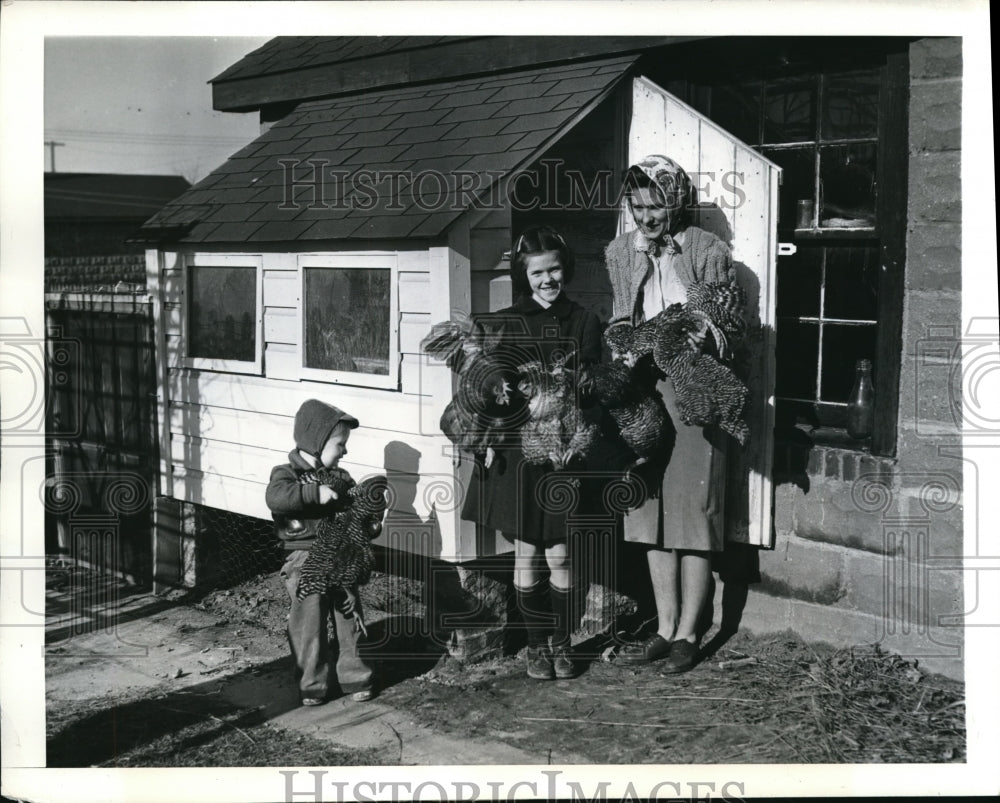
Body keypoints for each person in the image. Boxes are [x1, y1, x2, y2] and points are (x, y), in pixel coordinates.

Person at [604, 155, 739, 673]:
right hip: (645, 391)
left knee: (694, 513)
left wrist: (706, 334)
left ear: (676, 199)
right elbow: (620, 315)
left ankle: (690, 633)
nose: (646, 216)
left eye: (655, 204)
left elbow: (731, 322)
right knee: (649, 510)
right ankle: (663, 627)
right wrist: (624, 346)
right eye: (637, 206)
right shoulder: (621, 251)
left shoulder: (708, 250)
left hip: (697, 387)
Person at [460, 226, 603, 681]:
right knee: (526, 553)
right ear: (525, 276)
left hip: (565, 452)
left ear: (567, 269)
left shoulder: (583, 321)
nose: (548, 280)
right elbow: (483, 391)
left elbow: (597, 388)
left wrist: (584, 388)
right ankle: (536, 646)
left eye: (555, 269)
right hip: (520, 454)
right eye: (538, 272)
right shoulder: (502, 323)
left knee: (560, 554)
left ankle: (561, 641)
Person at [265, 399, 375, 705]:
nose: (345, 451)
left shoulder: (342, 479)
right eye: (340, 444)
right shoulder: (286, 474)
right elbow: (276, 498)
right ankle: (312, 683)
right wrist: (313, 493)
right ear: (316, 442)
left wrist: (367, 517)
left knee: (349, 618)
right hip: (304, 558)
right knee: (308, 624)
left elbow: (355, 509)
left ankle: (357, 678)